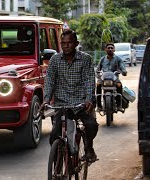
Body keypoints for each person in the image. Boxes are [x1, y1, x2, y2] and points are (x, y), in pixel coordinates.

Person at [40, 29, 99, 162]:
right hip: (62, 104)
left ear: (76, 43)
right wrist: (46, 99)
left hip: (81, 104)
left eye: (69, 43)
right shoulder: (55, 60)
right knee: (54, 135)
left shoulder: (85, 59)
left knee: (91, 126)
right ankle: (58, 164)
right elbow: (49, 80)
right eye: (63, 43)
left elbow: (89, 81)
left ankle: (89, 148)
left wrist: (89, 99)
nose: (66, 46)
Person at [96, 42, 127, 111]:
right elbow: (98, 69)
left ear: (114, 50)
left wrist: (124, 71)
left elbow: (122, 66)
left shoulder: (118, 59)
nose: (110, 49)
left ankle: (119, 105)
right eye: (108, 48)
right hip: (103, 78)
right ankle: (99, 106)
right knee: (98, 85)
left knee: (119, 85)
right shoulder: (102, 59)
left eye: (111, 48)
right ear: (105, 50)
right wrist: (98, 75)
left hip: (114, 78)